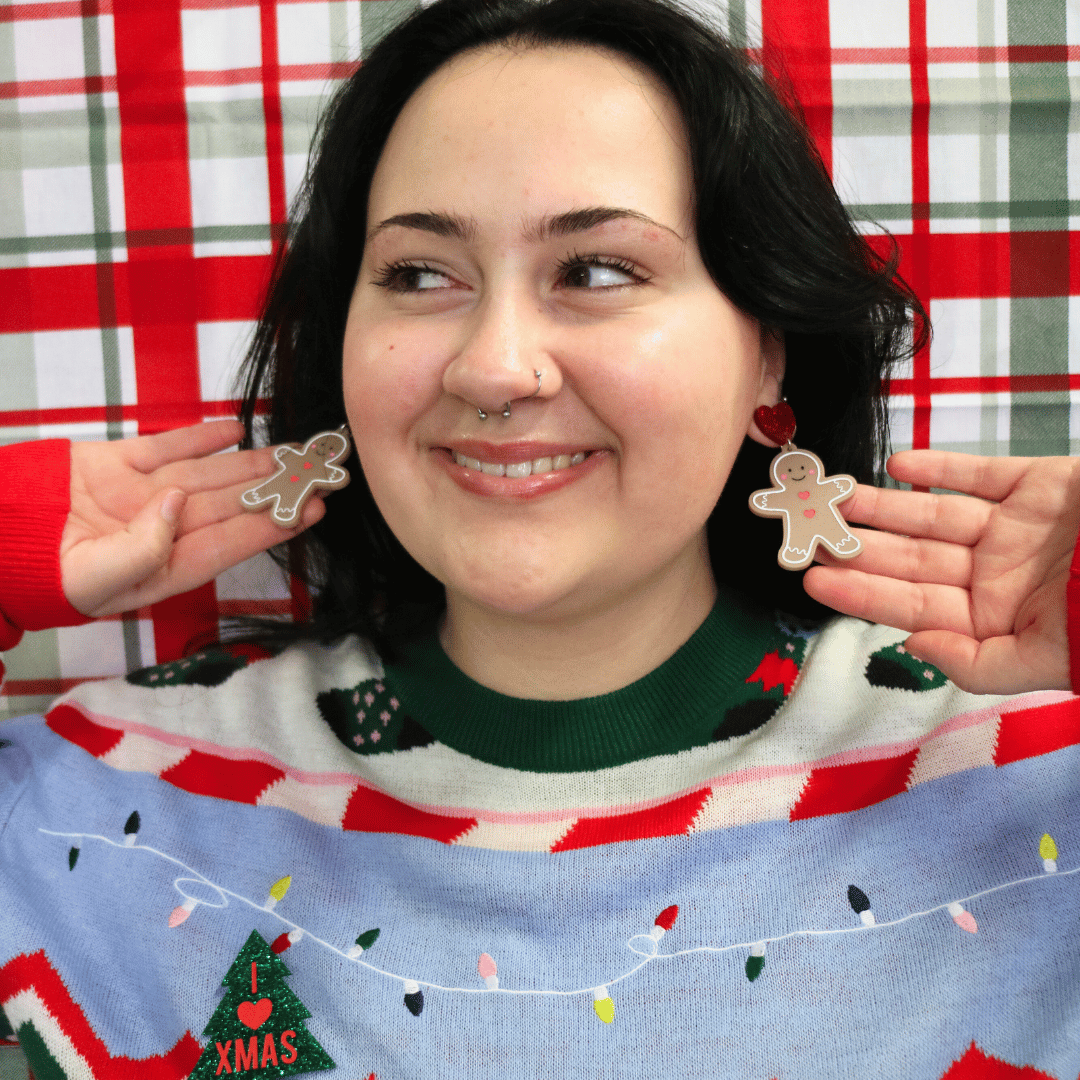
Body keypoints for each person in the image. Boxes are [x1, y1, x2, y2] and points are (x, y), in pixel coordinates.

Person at [1, 0, 1078, 1076]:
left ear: (768, 353)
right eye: (420, 275)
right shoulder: (106, 788)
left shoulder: (1033, 773)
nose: (492, 368)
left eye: (597, 270)